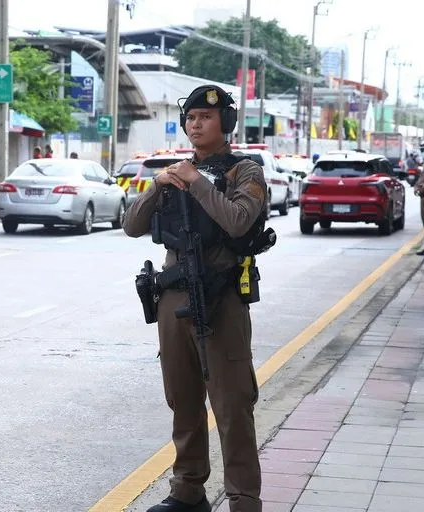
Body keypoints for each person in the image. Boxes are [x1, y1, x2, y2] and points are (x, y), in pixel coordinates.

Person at [123, 85, 267, 512]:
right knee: (182, 399)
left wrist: (196, 184)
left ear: (226, 122)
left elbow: (239, 222)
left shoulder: (246, 172)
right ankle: (187, 491)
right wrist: (158, 185)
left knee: (231, 403)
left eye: (206, 116)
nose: (196, 124)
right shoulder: (176, 172)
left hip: (220, 297)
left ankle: (243, 499)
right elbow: (132, 226)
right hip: (173, 294)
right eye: (191, 117)